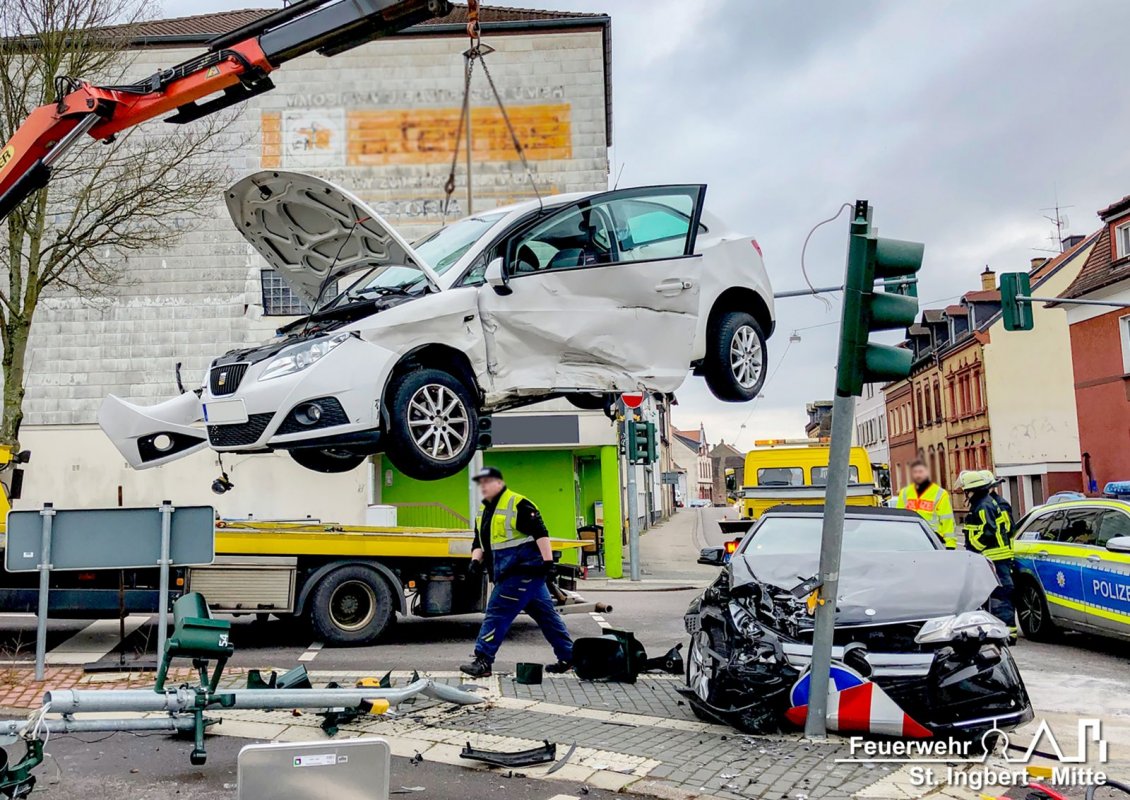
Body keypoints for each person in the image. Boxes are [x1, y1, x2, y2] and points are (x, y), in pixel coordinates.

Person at [460, 466, 574, 678]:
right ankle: (569, 656)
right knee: (547, 616)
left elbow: (541, 533)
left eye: (487, 483)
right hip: (512, 574)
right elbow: (480, 541)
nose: (483, 488)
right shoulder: (483, 511)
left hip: (522, 571)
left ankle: (483, 660)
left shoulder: (518, 503)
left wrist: (548, 563)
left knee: (497, 612)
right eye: (481, 484)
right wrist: (475, 562)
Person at [958, 469, 1015, 635]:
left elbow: (987, 531)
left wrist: (975, 547)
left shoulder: (984, 505)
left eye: (966, 490)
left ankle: (1006, 632)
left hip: (993, 557)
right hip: (991, 557)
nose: (965, 494)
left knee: (999, 594)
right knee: (993, 594)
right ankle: (1002, 630)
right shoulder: (985, 503)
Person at [895, 459, 956, 549]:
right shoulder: (905, 493)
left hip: (932, 538)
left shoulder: (939, 493)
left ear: (927, 473)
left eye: (921, 472)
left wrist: (950, 544)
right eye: (915, 472)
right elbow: (899, 517)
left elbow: (947, 520)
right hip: (910, 539)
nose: (918, 475)